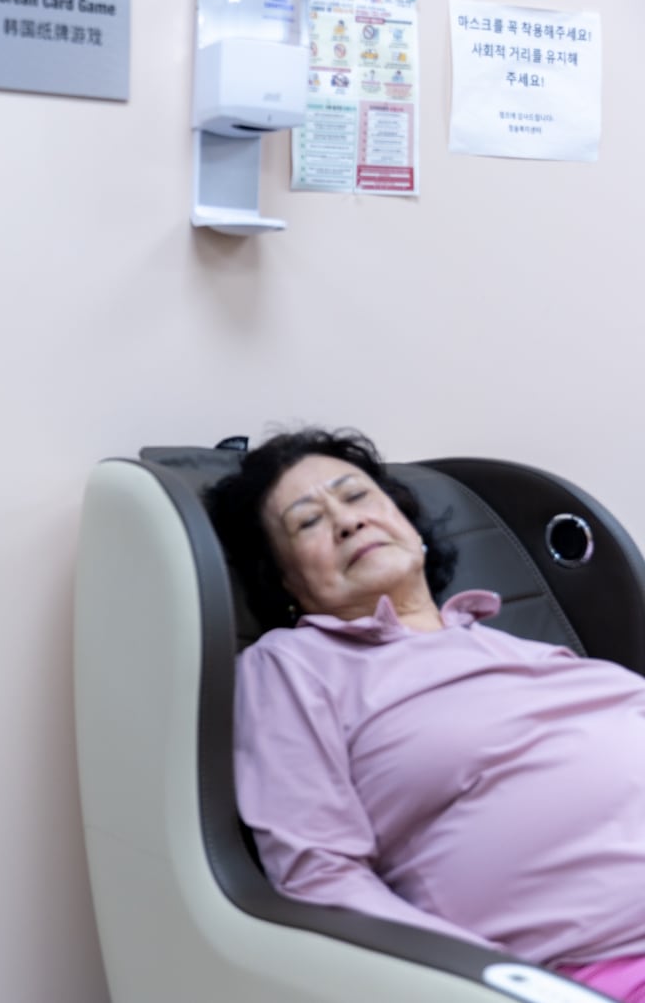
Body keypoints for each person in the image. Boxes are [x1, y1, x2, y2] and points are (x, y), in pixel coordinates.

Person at [205, 428, 645, 1002]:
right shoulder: (292, 667)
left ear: (409, 524)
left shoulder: (522, 649)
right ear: (285, 580)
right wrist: (495, 985)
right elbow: (318, 877)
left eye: (357, 496)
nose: (347, 521)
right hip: (592, 971)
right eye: (307, 521)